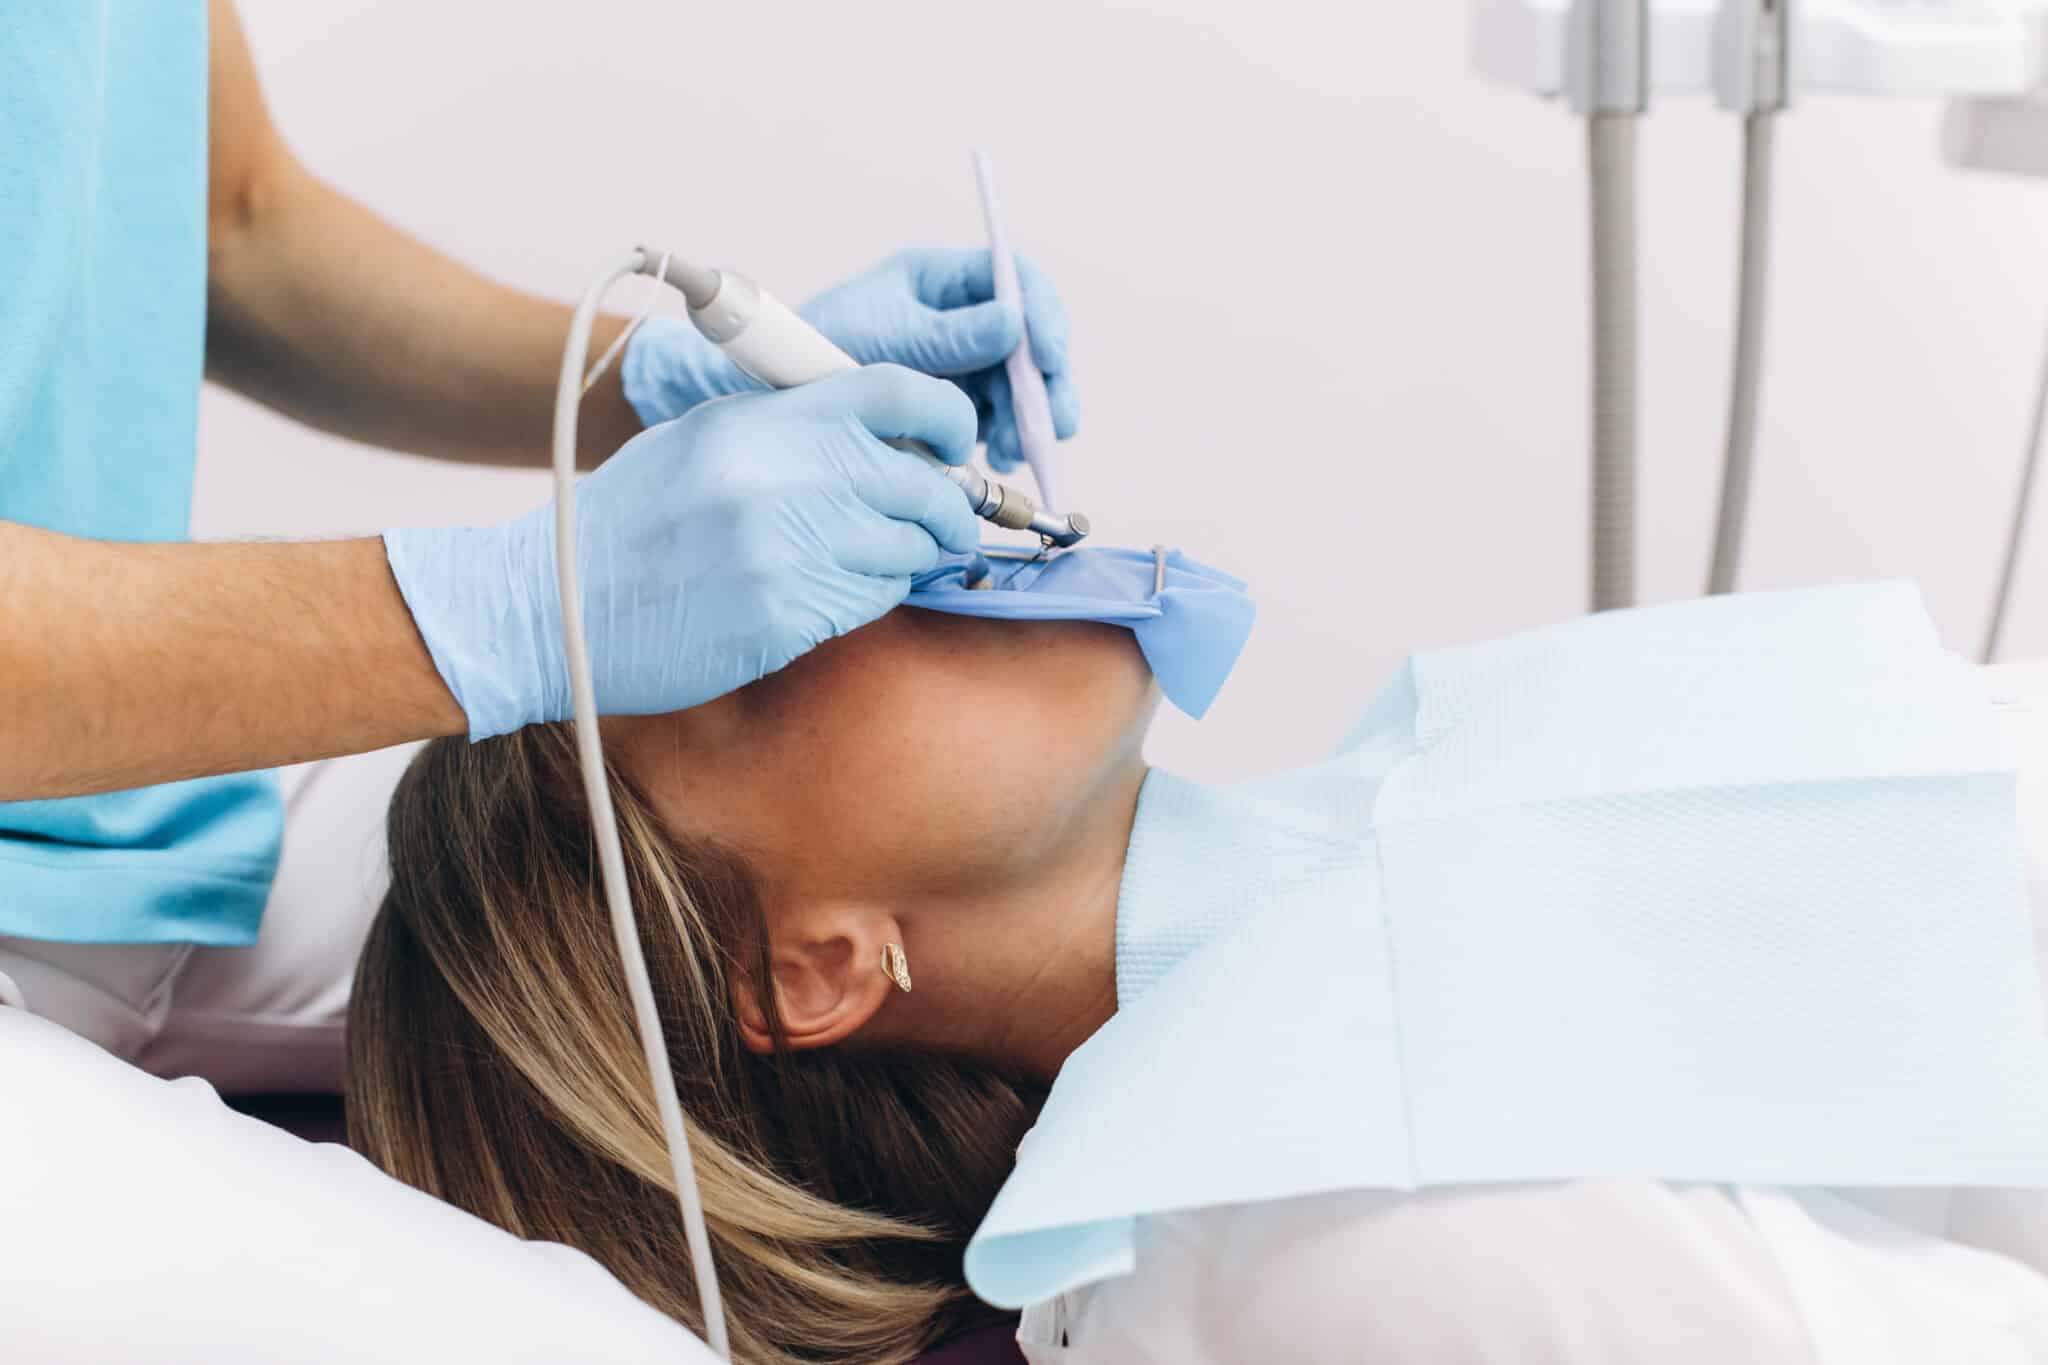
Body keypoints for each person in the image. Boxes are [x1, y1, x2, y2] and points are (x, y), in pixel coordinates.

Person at [0, 4, 1075, 1359]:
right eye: (754, 684)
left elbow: (228, 217)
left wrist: (653, 386)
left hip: (80, 798)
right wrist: (487, 609)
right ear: (822, 967)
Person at [348, 587, 2048, 1364]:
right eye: (759, 655)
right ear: (816, 968)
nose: (863, 581)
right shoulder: (1278, 1246)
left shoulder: (1426, 790)